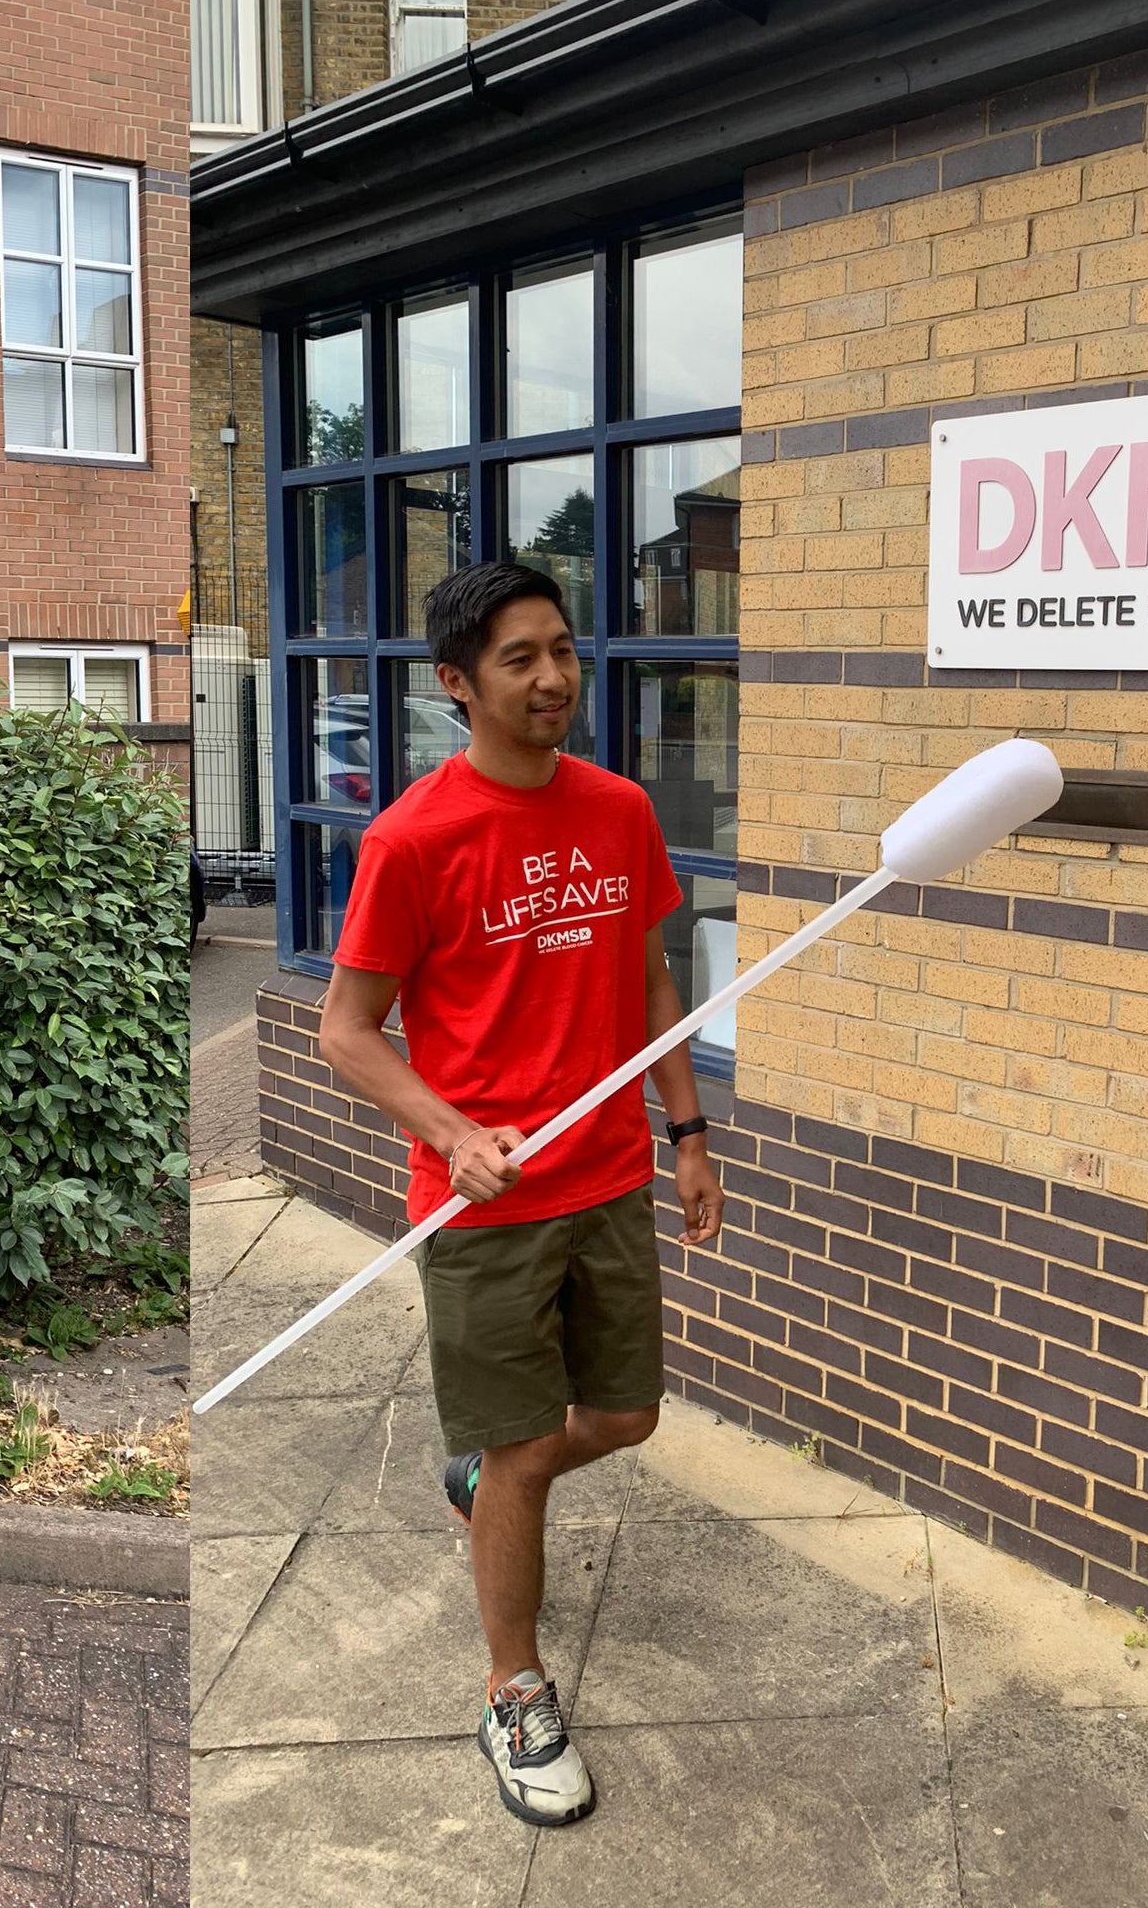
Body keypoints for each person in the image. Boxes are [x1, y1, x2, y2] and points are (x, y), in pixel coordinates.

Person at [317, 559, 724, 1828]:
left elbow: (652, 982)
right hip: (486, 1206)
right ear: (457, 682)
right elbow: (346, 1029)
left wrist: (689, 1134)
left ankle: (488, 1478)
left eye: (562, 649)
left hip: (608, 1178)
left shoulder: (619, 809)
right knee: (523, 1451)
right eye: (520, 658)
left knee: (626, 1415)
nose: (555, 677)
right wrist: (451, 1130)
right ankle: (514, 1687)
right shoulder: (414, 838)